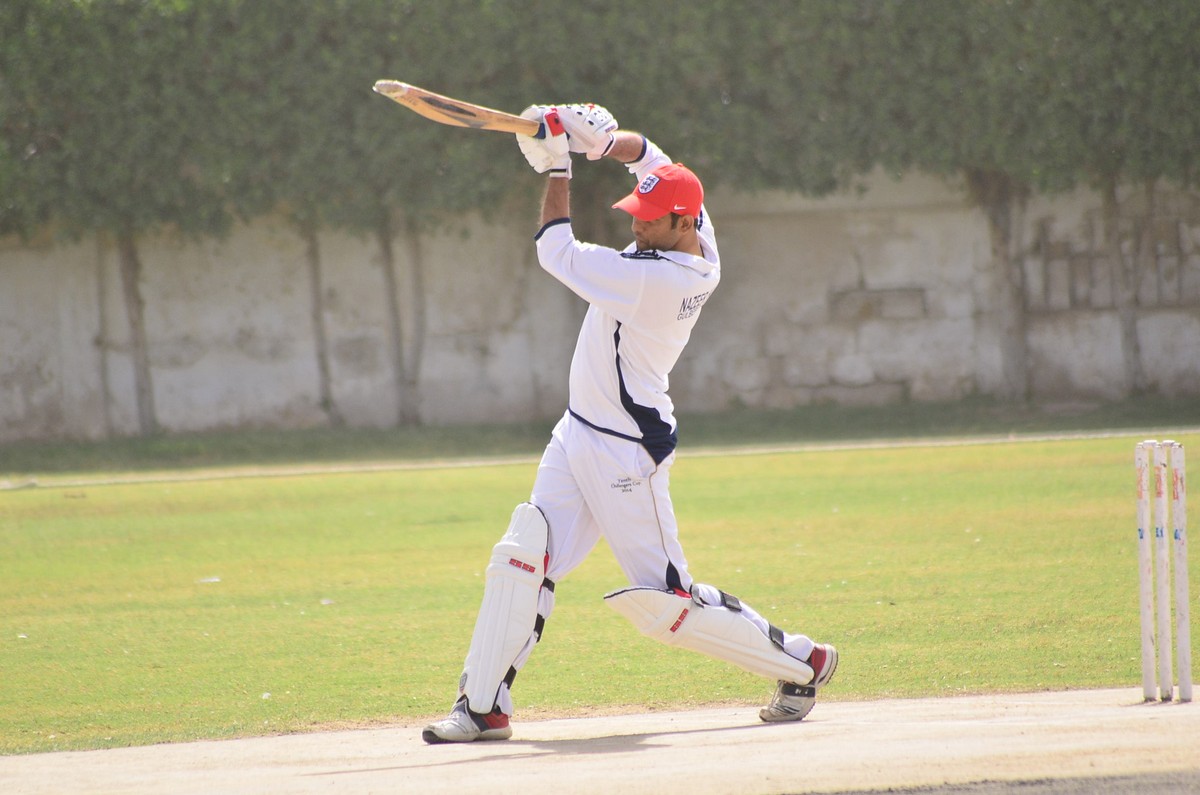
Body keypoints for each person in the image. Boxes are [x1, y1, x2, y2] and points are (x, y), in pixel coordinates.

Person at [422, 102, 837, 744]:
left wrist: (558, 167)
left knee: (666, 604)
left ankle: (804, 663)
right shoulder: (694, 227)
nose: (636, 227)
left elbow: (554, 250)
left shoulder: (653, 280)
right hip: (578, 431)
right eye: (635, 215)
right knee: (521, 557)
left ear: (681, 222)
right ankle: (482, 706)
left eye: (648, 220)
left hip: (625, 450)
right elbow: (651, 157)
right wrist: (604, 140)